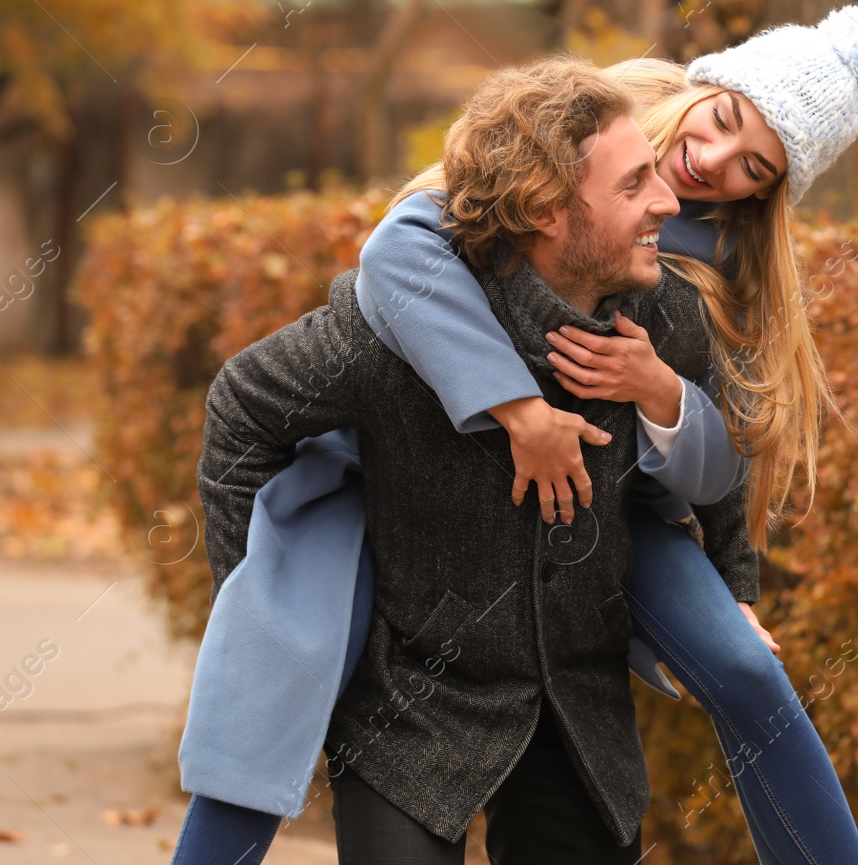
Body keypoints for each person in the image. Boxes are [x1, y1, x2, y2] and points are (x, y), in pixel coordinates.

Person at [174, 3, 858, 865]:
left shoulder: (706, 279)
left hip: (606, 526)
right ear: (704, 86)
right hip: (417, 498)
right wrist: (516, 407)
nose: (708, 167)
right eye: (722, 123)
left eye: (754, 168)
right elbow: (399, 249)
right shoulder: (580, 131)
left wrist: (674, 427)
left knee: (748, 670)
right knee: (279, 663)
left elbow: (729, 443)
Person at [196, 57, 739, 863]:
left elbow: (724, 477)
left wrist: (740, 595)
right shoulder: (393, 334)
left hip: (581, 718)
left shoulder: (666, 320)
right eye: (634, 186)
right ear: (549, 209)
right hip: (407, 711)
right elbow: (241, 408)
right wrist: (277, 622)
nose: (668, 200)